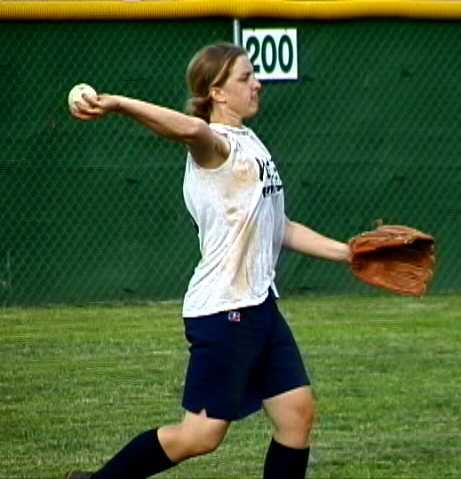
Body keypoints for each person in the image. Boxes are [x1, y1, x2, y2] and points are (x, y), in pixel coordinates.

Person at [65, 42, 351, 479]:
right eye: (245, 77)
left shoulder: (249, 141)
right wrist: (119, 103)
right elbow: (191, 130)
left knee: (297, 414)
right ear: (216, 92)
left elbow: (279, 226)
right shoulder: (215, 146)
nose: (257, 84)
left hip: (259, 305)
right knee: (199, 435)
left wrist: (347, 253)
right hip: (225, 310)